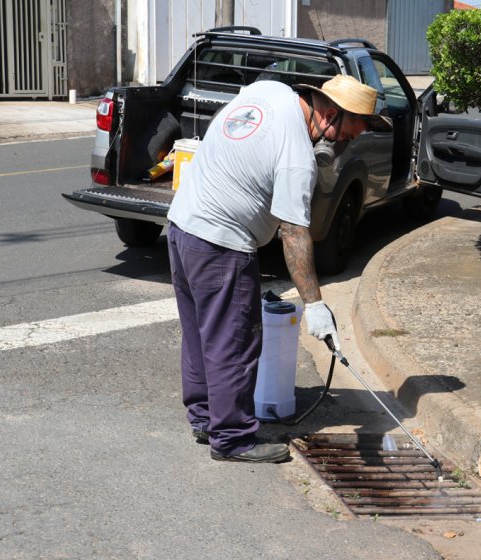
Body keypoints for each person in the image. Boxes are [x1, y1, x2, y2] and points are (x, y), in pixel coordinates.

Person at [166, 75, 392, 463]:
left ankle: (206, 418)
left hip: (182, 226)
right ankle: (233, 437)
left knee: (202, 335)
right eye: (345, 137)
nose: (344, 146)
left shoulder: (269, 92)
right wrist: (315, 304)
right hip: (222, 242)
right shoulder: (297, 160)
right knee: (234, 342)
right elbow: (293, 233)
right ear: (329, 115)